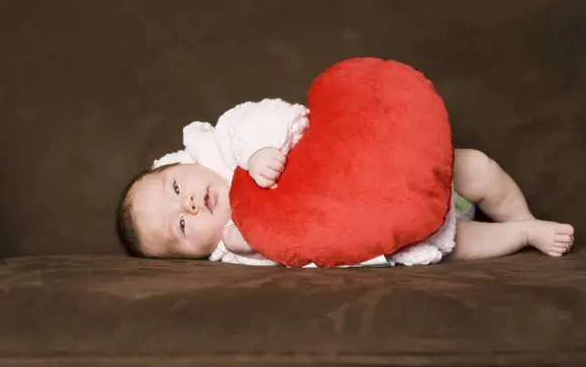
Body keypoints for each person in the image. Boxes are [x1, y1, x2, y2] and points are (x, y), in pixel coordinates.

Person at [117, 99, 574, 265]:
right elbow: (299, 252)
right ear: (195, 252)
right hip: (397, 222)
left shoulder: (229, 141)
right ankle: (521, 234)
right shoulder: (234, 247)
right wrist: (253, 240)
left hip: (395, 169)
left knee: (475, 168)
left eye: (176, 188)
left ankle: (524, 214)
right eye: (180, 226)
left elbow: (268, 120)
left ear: (182, 163)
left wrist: (260, 151)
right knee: (456, 243)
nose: (190, 205)